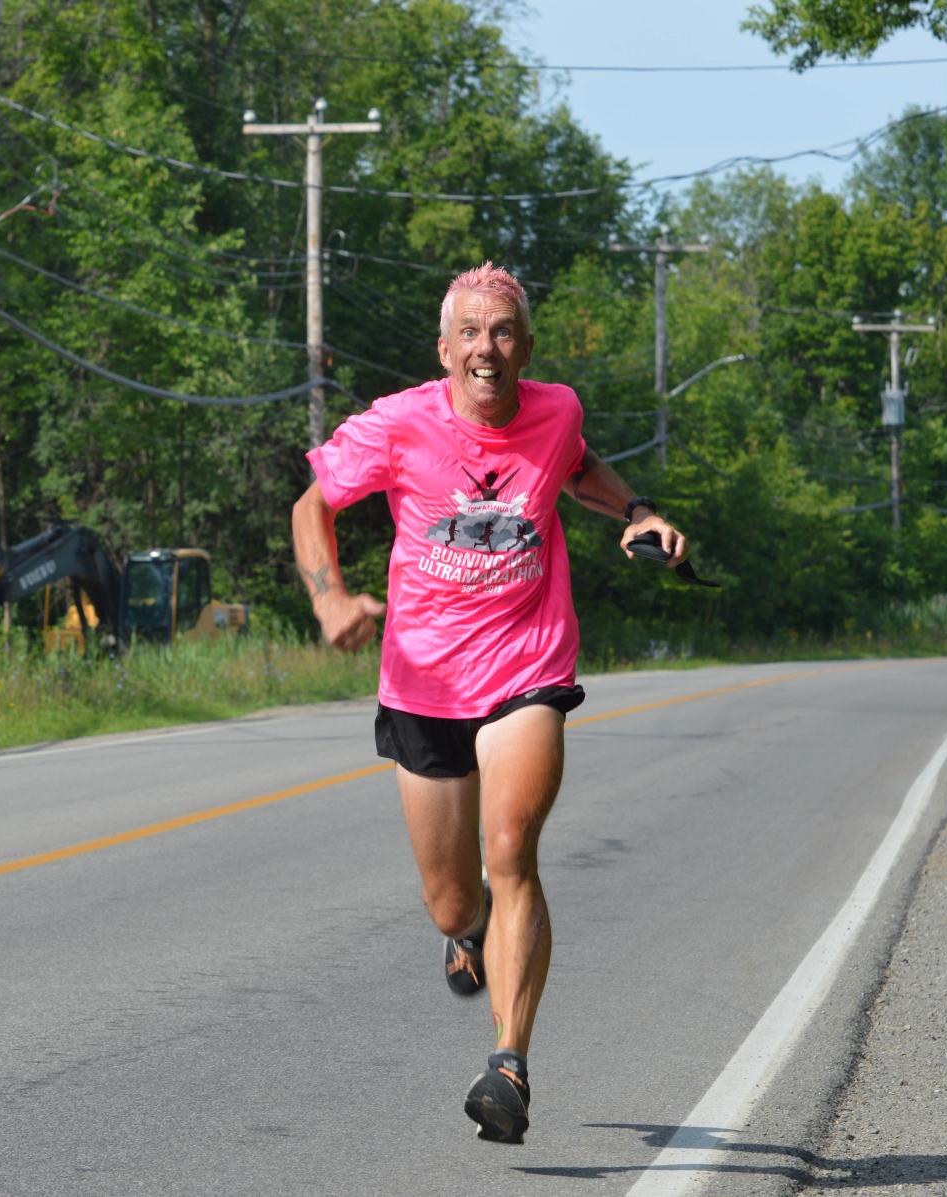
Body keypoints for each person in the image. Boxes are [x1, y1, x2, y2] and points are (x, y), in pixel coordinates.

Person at [290, 262, 690, 1144]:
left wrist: (637, 511)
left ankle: (508, 1062)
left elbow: (574, 467)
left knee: (512, 847)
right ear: (444, 349)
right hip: (423, 682)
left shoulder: (558, 409)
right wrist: (329, 600)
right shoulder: (398, 424)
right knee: (451, 899)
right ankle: (467, 929)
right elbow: (312, 504)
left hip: (526, 667)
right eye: (469, 332)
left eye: (503, 330)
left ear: (527, 348)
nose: (486, 347)